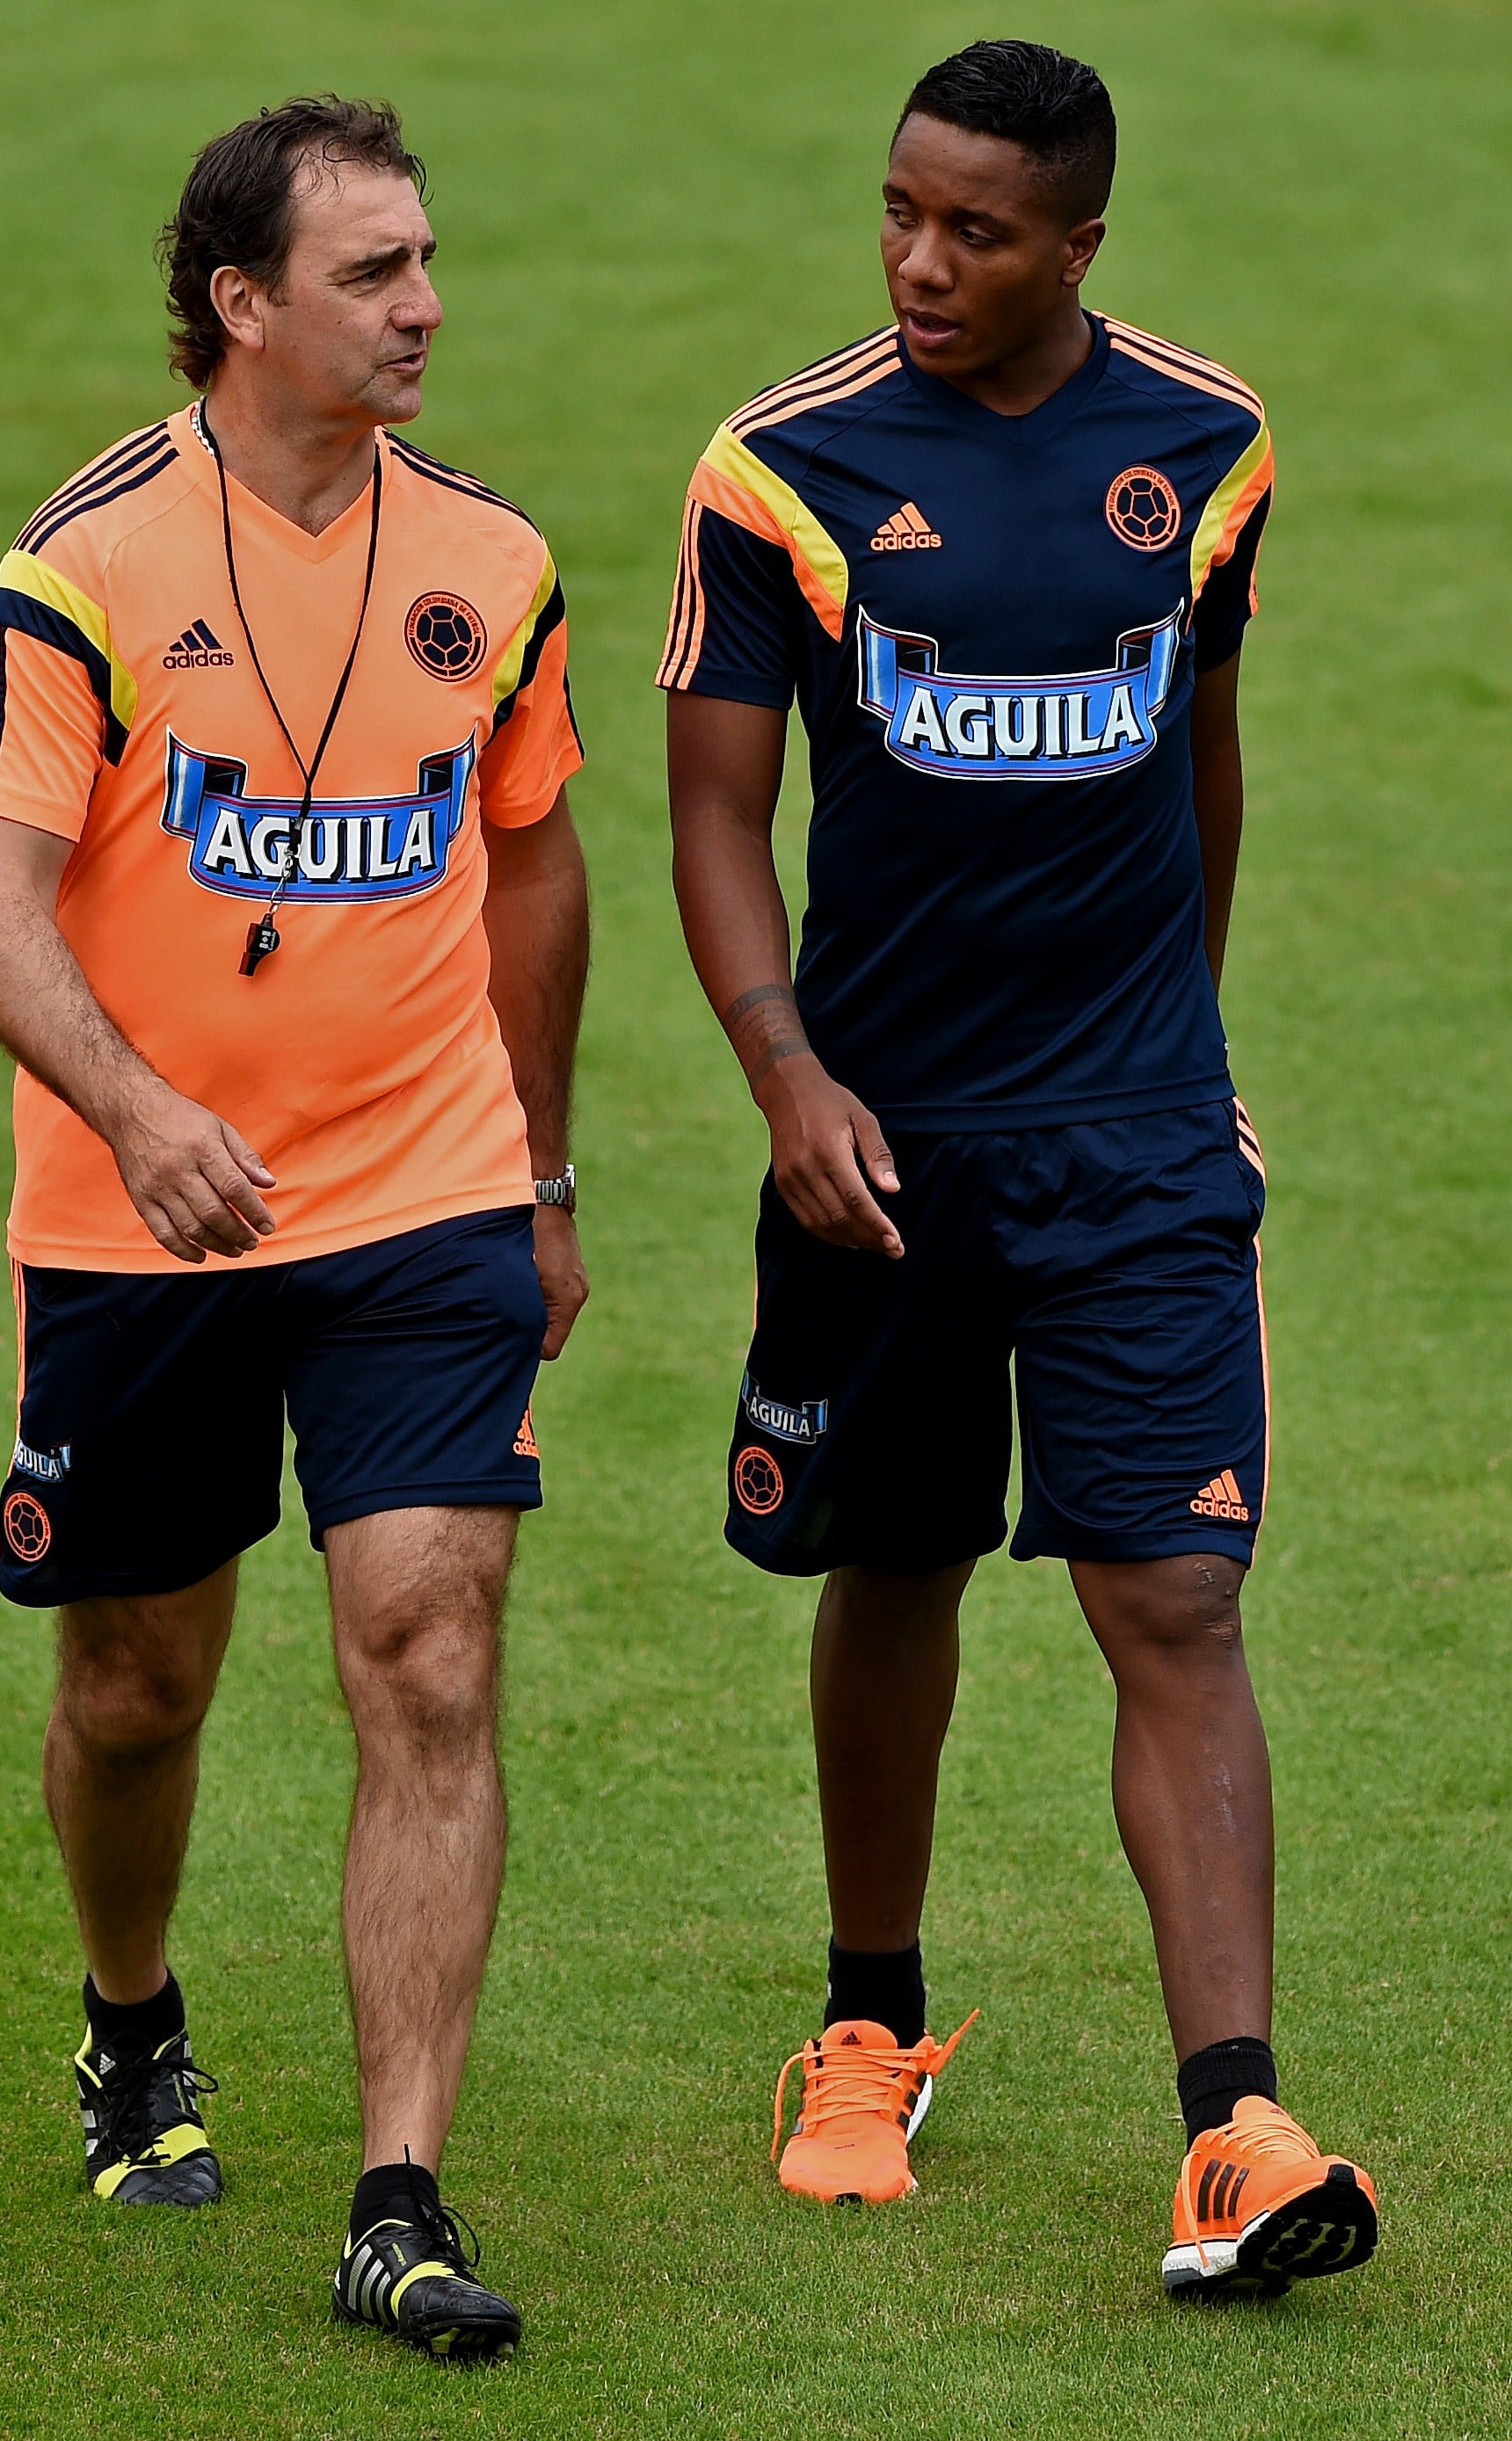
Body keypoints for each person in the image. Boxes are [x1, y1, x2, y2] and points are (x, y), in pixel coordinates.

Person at [661, 41, 1376, 2298]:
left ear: (1078, 244)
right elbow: (707, 813)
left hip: (1136, 1138)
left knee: (1168, 1595)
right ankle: (864, 2021)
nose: (916, 261)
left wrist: (1185, 1042)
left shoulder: (1203, 447)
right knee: (895, 1574)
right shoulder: (779, 467)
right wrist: (782, 1075)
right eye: (896, 210)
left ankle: (1233, 2125)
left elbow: (1202, 757)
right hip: (872, 1142)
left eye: (973, 230)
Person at [0, 98, 589, 2359]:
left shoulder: (490, 566)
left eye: (425, 264)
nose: (423, 307)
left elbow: (527, 863)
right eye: (370, 273)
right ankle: (129, 2020)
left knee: (428, 1643)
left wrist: (540, 1171)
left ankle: (395, 2189)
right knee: (135, 1690)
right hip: (147, 1219)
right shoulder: (83, 565)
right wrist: (130, 1106)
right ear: (241, 303)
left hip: (417, 1191)